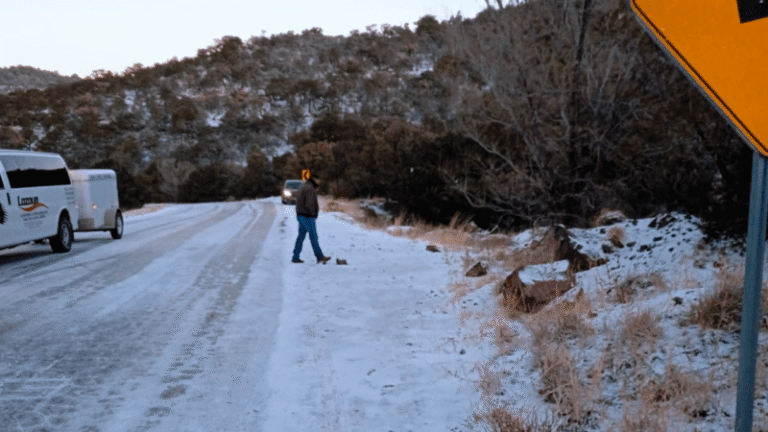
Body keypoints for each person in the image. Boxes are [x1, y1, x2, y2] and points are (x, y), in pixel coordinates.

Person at [292, 172, 331, 264]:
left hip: (301, 215)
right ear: (314, 179)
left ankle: (295, 257)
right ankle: (319, 257)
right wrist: (313, 214)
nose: (319, 182)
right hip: (307, 216)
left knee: (301, 236)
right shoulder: (310, 188)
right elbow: (309, 204)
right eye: (318, 180)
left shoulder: (304, 186)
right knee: (313, 236)